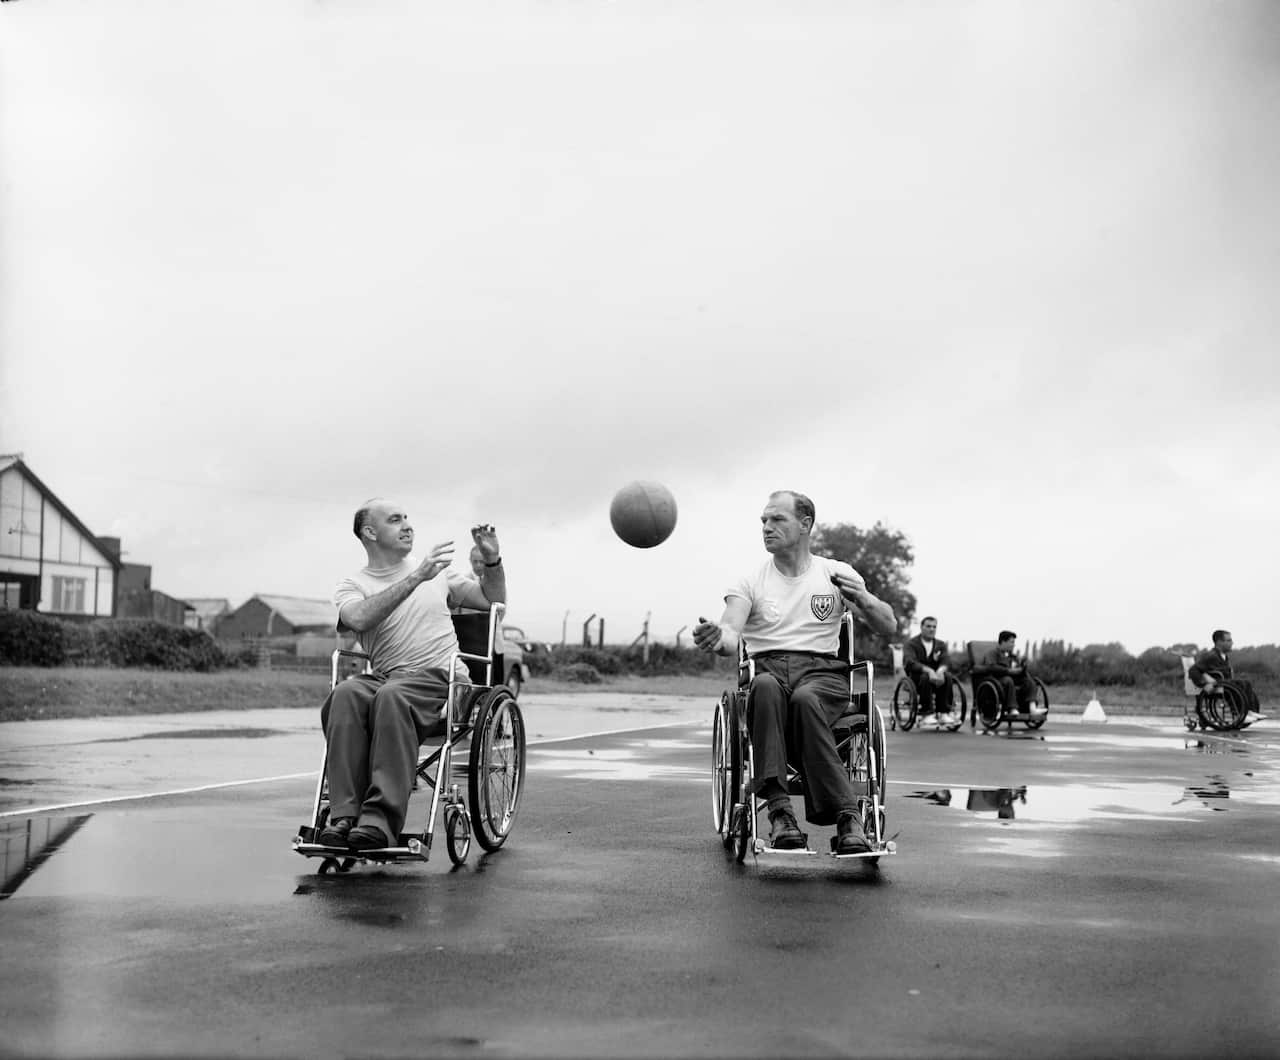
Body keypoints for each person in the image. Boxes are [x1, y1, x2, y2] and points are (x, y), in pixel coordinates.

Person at [693, 490, 898, 854]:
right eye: (763, 521)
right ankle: (780, 813)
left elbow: (888, 626)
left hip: (824, 674)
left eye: (777, 519)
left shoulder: (835, 573)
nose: (767, 528)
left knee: (806, 699)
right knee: (767, 687)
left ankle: (849, 817)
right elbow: (730, 634)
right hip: (768, 670)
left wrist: (864, 599)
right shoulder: (749, 581)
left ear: (805, 524)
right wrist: (716, 637)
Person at [317, 499, 507, 850]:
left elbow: (493, 602)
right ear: (370, 533)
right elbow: (358, 620)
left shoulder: (440, 575)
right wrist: (417, 577)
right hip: (390, 677)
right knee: (344, 695)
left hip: (444, 681)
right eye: (395, 520)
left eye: (407, 518)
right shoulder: (352, 585)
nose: (407, 525)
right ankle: (343, 816)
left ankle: (379, 822)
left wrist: (492, 561)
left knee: (392, 696)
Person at [1188, 630, 1266, 726]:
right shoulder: (1211, 656)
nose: (1232, 643)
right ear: (1219, 642)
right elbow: (1193, 670)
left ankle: (1249, 711)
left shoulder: (1223, 656)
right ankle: (1240, 713)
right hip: (1218, 685)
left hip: (1224, 684)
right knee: (1238, 684)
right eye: (1228, 640)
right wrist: (1203, 684)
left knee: (1246, 683)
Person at [903, 615, 957, 730]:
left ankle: (944, 713)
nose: (931, 629)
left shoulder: (940, 644)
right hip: (917, 678)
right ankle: (926, 714)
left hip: (937, 676)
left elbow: (946, 660)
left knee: (947, 676)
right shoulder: (911, 644)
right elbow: (909, 662)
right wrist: (929, 670)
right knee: (926, 677)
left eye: (934, 627)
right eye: (928, 626)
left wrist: (940, 671)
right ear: (921, 627)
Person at [979, 631, 1044, 719]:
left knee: (1028, 680)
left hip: (1011, 678)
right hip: (996, 679)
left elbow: (1017, 667)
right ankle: (1012, 708)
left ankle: (1032, 707)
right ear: (1003, 642)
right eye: (1011, 642)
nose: (1013, 645)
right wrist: (1009, 671)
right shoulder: (992, 653)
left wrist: (1022, 667)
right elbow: (992, 667)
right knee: (1008, 680)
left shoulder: (1012, 656)